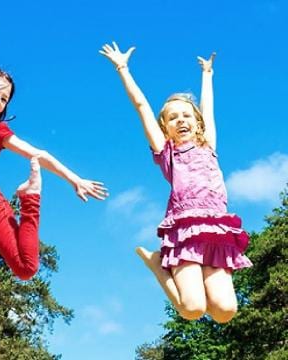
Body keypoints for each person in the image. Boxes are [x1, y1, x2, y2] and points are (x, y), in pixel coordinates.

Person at [0, 19, 108, 294]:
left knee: (26, 268)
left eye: (4, 99)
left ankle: (30, 198)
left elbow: (40, 154)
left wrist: (74, 179)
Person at [100, 42, 252, 322]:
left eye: (186, 115)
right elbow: (141, 106)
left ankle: (190, 283)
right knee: (192, 309)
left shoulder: (208, 146)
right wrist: (123, 68)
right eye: (173, 117)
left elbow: (208, 110)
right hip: (185, 230)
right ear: (165, 128)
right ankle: (158, 264)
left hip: (217, 229)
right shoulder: (168, 153)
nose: (181, 120)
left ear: (196, 123)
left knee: (225, 312)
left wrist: (207, 75)